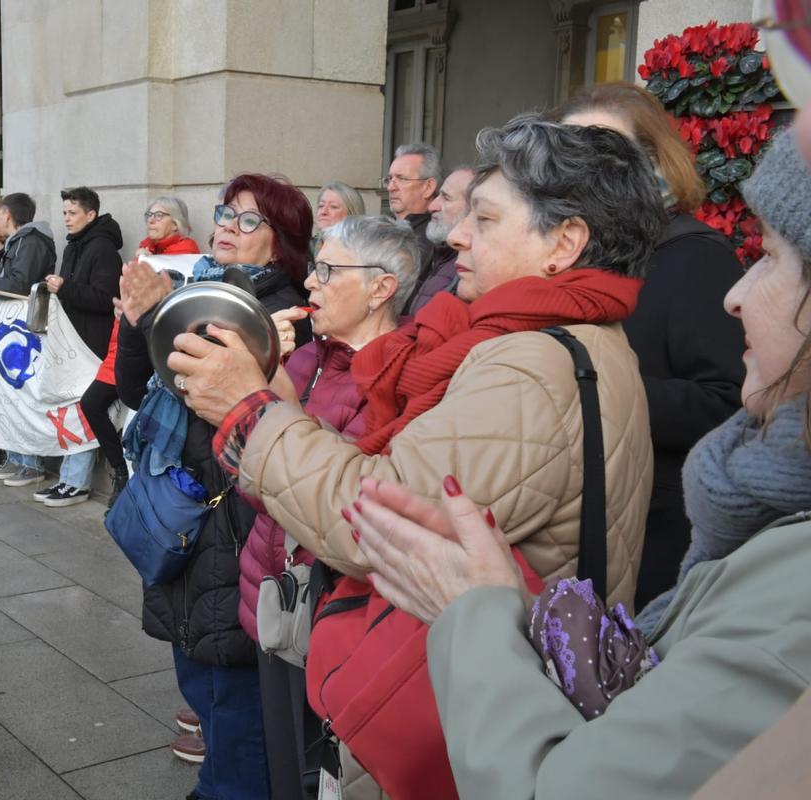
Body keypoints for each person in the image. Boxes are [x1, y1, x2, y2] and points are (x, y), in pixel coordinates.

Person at [169, 117, 659, 796]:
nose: (455, 234)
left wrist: (247, 408)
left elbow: (374, 518)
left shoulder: (531, 367)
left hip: (461, 713)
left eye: (485, 219)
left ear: (564, 242)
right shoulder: (564, 338)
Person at [347, 128, 811, 800]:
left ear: (565, 243)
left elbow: (560, 787)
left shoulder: (535, 358)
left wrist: (474, 608)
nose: (736, 295)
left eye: (768, 256)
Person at [116, 172, 314, 800]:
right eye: (226, 212)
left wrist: (158, 319)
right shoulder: (203, 288)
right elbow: (134, 390)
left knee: (236, 703)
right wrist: (139, 321)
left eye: (249, 219)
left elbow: (226, 421)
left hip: (237, 526)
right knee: (203, 674)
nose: (229, 224)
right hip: (193, 519)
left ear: (282, 242)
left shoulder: (289, 317)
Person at [241, 215, 420, 799]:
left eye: (327, 270)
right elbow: (246, 468)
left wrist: (271, 414)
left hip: (333, 604)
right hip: (273, 586)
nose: (309, 283)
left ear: (380, 288)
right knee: (284, 763)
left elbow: (346, 499)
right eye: (314, 266)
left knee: (325, 766)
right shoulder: (307, 356)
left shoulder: (399, 375)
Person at [555, 81, 746, 609]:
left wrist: (594, 386)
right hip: (571, 531)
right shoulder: (572, 253)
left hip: (653, 542)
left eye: (606, 150)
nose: (586, 167)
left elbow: (728, 402)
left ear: (652, 160)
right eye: (571, 151)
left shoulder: (694, 257)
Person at [86, 195, 200, 507]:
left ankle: (132, 482)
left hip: (151, 353)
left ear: (176, 222)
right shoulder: (146, 253)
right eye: (149, 213)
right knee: (92, 404)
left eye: (159, 215)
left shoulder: (185, 256)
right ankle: (121, 472)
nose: (151, 219)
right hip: (124, 345)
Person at [32, 186, 122, 507]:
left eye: (72, 213)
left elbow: (104, 298)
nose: (66, 219)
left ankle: (77, 482)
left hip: (90, 345)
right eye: (64, 213)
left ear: (90, 214)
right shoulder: (74, 245)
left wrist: (65, 288)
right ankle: (70, 479)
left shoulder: (103, 249)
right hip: (72, 341)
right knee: (71, 409)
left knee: (82, 409)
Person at [0, 193, 59, 487]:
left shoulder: (31, 241)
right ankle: (18, 458)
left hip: (24, 330)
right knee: (11, 394)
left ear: (8, 215)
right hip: (10, 327)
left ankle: (31, 463)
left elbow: (19, 285)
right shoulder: (19, 241)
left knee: (24, 391)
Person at [404, 166, 475, 316]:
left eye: (446, 198)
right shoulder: (442, 255)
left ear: (474, 209)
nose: (432, 206)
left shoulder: (470, 268)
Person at [386, 143, 441, 267]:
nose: (390, 188)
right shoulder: (381, 226)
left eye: (402, 179)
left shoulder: (436, 238)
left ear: (428, 187)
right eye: (390, 179)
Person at [312, 181, 365, 255]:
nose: (323, 212)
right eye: (321, 206)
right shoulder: (307, 249)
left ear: (351, 213)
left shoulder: (362, 251)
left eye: (333, 207)